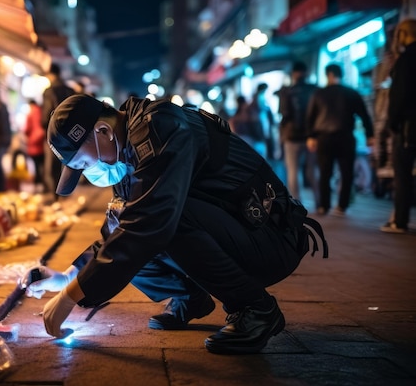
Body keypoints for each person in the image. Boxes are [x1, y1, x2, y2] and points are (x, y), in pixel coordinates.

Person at [19, 94, 327, 354]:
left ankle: (257, 309)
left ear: (103, 130)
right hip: (238, 231)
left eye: (84, 163)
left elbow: (148, 223)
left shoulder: (162, 128)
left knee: (159, 221)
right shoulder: (128, 150)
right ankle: (190, 297)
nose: (89, 173)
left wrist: (69, 299)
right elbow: (120, 230)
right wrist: (67, 279)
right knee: (132, 227)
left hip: (271, 239)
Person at [306, 63, 374, 216]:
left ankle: (324, 206)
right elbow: (364, 115)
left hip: (324, 138)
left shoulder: (319, 94)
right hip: (345, 137)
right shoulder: (351, 93)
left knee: (325, 172)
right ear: (340, 75)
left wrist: (310, 136)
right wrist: (370, 135)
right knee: (346, 172)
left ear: (328, 75)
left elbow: (310, 117)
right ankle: (342, 206)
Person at [381, 18, 416, 234]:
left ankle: (400, 221)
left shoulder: (406, 60)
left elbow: (399, 97)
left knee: (402, 174)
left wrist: (392, 124)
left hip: (408, 126)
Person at [278, 61, 320, 208]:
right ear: (306, 72)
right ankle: (319, 202)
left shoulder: (287, 92)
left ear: (294, 73)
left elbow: (284, 114)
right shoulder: (314, 90)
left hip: (292, 136)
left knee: (293, 171)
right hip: (312, 137)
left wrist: (281, 137)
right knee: (312, 170)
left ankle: (297, 204)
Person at [41, 63, 74, 198]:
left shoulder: (49, 92)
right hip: (70, 134)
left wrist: (44, 126)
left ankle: (57, 195)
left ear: (51, 74)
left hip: (54, 133)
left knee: (53, 166)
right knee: (68, 163)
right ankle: (67, 193)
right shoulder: (70, 90)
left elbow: (46, 113)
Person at [23, 98, 46, 191]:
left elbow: (27, 129)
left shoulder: (30, 113)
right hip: (42, 140)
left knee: (36, 165)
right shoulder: (42, 111)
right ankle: (45, 184)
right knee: (43, 164)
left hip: (33, 142)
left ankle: (38, 184)